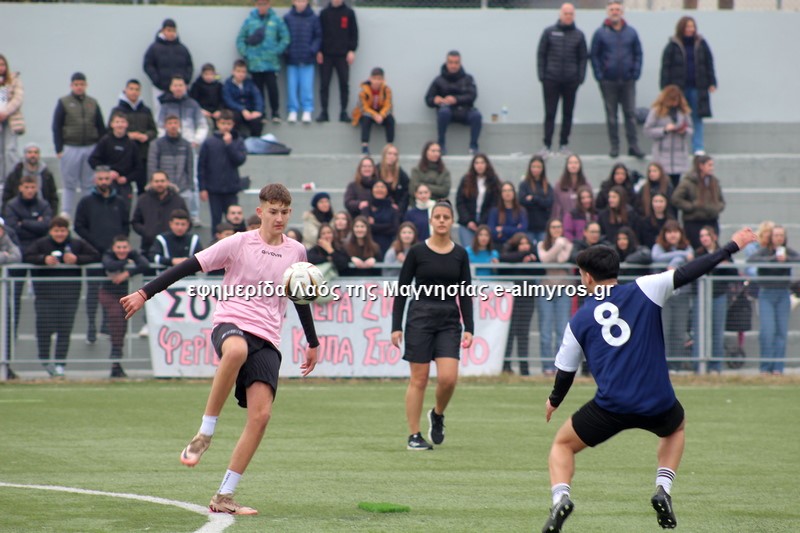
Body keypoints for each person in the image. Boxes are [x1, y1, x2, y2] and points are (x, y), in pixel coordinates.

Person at [120, 183, 319, 515]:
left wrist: (312, 341)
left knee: (261, 417)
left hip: (268, 336)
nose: (279, 218)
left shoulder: (296, 251)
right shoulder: (239, 242)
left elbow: (299, 295)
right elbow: (188, 266)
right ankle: (205, 432)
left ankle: (224, 496)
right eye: (273, 211)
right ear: (260, 212)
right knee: (236, 351)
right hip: (232, 322)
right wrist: (144, 293)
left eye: (285, 212)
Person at [539, 227, 755, 533]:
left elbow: (565, 372)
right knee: (676, 427)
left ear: (586, 277)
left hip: (610, 406)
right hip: (657, 401)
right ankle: (663, 488)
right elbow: (691, 271)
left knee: (562, 445)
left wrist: (554, 401)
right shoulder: (646, 288)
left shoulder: (579, 320)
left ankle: (561, 498)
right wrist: (731, 246)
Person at [392, 199, 473, 450]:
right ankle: (414, 435)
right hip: (420, 317)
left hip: (449, 319)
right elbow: (402, 290)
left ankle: (437, 414)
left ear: (452, 221)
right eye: (437, 217)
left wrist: (469, 327)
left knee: (448, 378)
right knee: (420, 378)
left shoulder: (460, 254)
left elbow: (466, 293)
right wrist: (396, 326)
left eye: (446, 217)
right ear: (430, 220)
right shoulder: (417, 252)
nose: (441, 221)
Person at [24, 217, 100, 378]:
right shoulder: (41, 243)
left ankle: (60, 364)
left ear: (67, 231)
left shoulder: (76, 244)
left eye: (63, 230)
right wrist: (43, 259)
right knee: (44, 329)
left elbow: (95, 255)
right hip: (45, 295)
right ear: (51, 231)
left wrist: (77, 259)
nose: (60, 234)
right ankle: (45, 359)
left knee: (64, 331)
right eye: (56, 230)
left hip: (69, 295)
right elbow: (26, 256)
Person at [589, 0, 644, 159]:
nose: (615, 12)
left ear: (622, 12)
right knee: (612, 116)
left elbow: (638, 53)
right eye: (612, 9)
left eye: (617, 9)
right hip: (608, 81)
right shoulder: (600, 33)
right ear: (608, 12)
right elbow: (594, 55)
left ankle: (633, 146)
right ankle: (615, 146)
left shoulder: (631, 32)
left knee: (630, 114)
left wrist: (635, 73)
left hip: (627, 81)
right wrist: (599, 75)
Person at [660, 16, 717, 156]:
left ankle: (698, 147)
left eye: (692, 26)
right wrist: (665, 87)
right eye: (687, 26)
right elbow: (665, 68)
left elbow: (709, 63)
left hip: (698, 88)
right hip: (679, 90)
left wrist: (712, 82)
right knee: (679, 117)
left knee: (697, 117)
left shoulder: (701, 44)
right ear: (681, 28)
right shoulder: (672, 45)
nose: (690, 29)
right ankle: (680, 146)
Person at [536, 3, 588, 156]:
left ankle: (563, 144)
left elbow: (583, 58)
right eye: (566, 13)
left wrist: (580, 78)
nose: (568, 16)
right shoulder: (549, 32)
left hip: (571, 81)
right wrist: (542, 76)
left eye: (571, 13)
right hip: (551, 80)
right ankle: (547, 145)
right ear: (560, 14)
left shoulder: (579, 35)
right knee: (550, 113)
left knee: (568, 113)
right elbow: (541, 54)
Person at [747, 225, 800, 375]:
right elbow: (751, 260)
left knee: (781, 332)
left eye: (781, 235)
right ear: (771, 237)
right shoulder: (764, 251)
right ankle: (765, 368)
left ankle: (778, 368)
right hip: (766, 294)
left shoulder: (788, 251)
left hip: (783, 294)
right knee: (767, 332)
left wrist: (786, 259)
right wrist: (773, 259)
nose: (779, 238)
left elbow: (797, 258)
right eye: (776, 235)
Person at [52, 72, 105, 215]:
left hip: (90, 147)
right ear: (71, 85)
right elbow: (57, 126)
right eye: (76, 84)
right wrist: (59, 148)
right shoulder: (64, 102)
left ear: (86, 85)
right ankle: (66, 213)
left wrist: (100, 149)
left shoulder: (92, 103)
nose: (79, 87)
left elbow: (100, 126)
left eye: (81, 84)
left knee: (88, 183)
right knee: (69, 184)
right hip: (70, 146)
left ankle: (88, 213)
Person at [100, 235, 150, 378]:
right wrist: (125, 262)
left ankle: (116, 361)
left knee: (120, 327)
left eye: (124, 247)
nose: (122, 250)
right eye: (118, 247)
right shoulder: (108, 255)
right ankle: (108, 335)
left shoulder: (132, 254)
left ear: (129, 247)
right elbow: (109, 265)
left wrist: (127, 273)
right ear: (113, 248)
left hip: (125, 296)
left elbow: (145, 264)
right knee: (116, 317)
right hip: (108, 293)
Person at [236, 0, 290, 123]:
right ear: (256, 5)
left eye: (265, 4)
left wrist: (277, 50)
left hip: (271, 63)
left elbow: (285, 37)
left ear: (269, 5)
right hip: (255, 63)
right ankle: (262, 113)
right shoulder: (250, 20)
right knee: (258, 90)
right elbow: (240, 39)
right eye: (260, 4)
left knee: (272, 89)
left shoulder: (276, 20)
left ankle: (275, 113)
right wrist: (246, 53)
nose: (262, 6)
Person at [652, 220, 694, 370]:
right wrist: (681, 257)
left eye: (675, 232)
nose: (672, 235)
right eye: (669, 232)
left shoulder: (687, 246)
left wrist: (673, 263)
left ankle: (676, 365)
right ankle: (663, 365)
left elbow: (691, 257)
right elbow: (657, 258)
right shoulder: (658, 247)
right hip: (663, 297)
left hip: (681, 296)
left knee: (679, 331)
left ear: (680, 233)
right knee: (664, 331)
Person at [695, 226, 737, 373]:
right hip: (700, 298)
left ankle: (715, 367)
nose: (704, 238)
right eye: (702, 236)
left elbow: (734, 273)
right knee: (700, 331)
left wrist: (725, 266)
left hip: (718, 296)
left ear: (714, 237)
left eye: (707, 235)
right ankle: (698, 367)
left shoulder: (723, 253)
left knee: (717, 332)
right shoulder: (698, 253)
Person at [198, 110, 248, 231]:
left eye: (228, 123)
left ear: (233, 124)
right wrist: (202, 188)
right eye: (223, 123)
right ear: (218, 123)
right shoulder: (209, 142)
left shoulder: (237, 140)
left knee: (234, 219)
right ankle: (216, 240)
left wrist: (229, 145)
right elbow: (202, 166)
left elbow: (240, 160)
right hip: (214, 189)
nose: (226, 126)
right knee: (216, 219)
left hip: (231, 188)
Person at [425, 51, 482, 155]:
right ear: (446, 63)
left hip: (465, 111)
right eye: (451, 62)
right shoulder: (438, 80)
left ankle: (473, 147)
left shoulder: (468, 79)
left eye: (456, 63)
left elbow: (472, 96)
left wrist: (456, 99)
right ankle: (441, 145)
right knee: (443, 112)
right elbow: (428, 99)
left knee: (477, 115)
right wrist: (435, 100)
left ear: (460, 63)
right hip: (447, 113)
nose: (453, 66)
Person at [537, 218, 573, 375]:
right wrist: (558, 245)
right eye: (553, 227)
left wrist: (560, 245)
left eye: (559, 226)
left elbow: (561, 259)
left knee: (561, 330)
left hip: (564, 288)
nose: (556, 229)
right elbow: (544, 260)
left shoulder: (568, 244)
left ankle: (560, 366)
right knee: (545, 329)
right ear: (548, 229)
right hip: (546, 288)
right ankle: (547, 366)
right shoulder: (541, 244)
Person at [499, 232, 538, 375]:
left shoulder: (533, 258)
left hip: (527, 297)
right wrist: (523, 256)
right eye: (521, 244)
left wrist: (530, 260)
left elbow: (541, 269)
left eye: (527, 243)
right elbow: (503, 260)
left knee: (523, 333)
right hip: (511, 297)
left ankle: (524, 367)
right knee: (509, 332)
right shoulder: (510, 255)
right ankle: (506, 365)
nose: (525, 246)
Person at [110, 79, 157, 195]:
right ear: (125, 90)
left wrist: (146, 136)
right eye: (131, 89)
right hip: (123, 156)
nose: (134, 92)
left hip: (142, 154)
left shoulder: (146, 110)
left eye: (137, 89)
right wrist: (127, 135)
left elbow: (154, 131)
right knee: (122, 188)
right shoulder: (117, 110)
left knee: (143, 188)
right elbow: (109, 131)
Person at [147, 114, 195, 222]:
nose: (173, 126)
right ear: (165, 126)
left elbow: (190, 167)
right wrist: (153, 183)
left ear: (179, 125)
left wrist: (190, 185)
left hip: (183, 187)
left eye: (175, 123)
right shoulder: (156, 144)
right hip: (163, 188)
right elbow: (152, 166)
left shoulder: (186, 145)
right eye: (170, 123)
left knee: (184, 218)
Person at [317, 0, 359, 123]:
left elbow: (354, 33)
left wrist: (351, 50)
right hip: (326, 55)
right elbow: (319, 33)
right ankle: (324, 112)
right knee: (324, 84)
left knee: (344, 84)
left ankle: (343, 112)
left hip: (343, 55)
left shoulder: (349, 13)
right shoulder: (324, 13)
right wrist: (319, 50)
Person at [671, 154, 725, 250]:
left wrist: (716, 207)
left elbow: (721, 200)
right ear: (701, 166)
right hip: (694, 222)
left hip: (712, 221)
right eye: (709, 165)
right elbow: (676, 199)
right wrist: (692, 206)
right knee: (698, 250)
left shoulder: (714, 182)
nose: (712, 168)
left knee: (713, 249)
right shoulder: (688, 182)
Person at [89, 111, 141, 209]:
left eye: (122, 122)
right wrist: (108, 172)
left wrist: (127, 178)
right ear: (112, 124)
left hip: (125, 185)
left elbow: (138, 168)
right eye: (117, 122)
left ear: (127, 124)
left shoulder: (132, 145)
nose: (120, 125)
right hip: (106, 183)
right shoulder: (105, 141)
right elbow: (93, 160)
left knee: (124, 211)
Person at [644, 85, 693, 187]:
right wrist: (664, 130)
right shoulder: (656, 111)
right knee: (663, 184)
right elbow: (647, 130)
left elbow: (691, 128)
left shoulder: (683, 111)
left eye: (677, 100)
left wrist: (684, 131)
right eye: (672, 100)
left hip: (679, 154)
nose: (674, 103)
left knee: (676, 184)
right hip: (662, 154)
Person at [143, 18, 194, 115]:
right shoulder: (154, 48)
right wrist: (157, 80)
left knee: (183, 113)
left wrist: (186, 81)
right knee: (160, 113)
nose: (171, 33)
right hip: (160, 88)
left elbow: (189, 66)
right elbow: (147, 65)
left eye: (173, 31)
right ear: (163, 30)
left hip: (179, 89)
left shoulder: (182, 48)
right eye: (168, 30)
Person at [284, 0, 322, 124]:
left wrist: (312, 50)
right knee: (292, 86)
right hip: (292, 59)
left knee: (307, 87)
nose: (301, 3)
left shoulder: (313, 18)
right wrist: (287, 50)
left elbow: (318, 36)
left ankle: (307, 110)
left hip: (307, 59)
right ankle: (293, 110)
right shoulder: (288, 18)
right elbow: (283, 36)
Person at [132, 171, 188, 253]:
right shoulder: (143, 200)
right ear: (151, 183)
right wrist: (146, 231)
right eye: (156, 181)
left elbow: (187, 221)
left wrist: (177, 231)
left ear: (168, 182)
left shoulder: (178, 200)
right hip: (149, 246)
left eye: (162, 181)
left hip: (173, 247)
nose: (159, 184)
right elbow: (135, 222)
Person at [456, 153, 501, 247]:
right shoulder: (466, 180)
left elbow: (495, 204)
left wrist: (482, 222)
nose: (479, 165)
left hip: (486, 222)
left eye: (482, 163)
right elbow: (460, 202)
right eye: (476, 163)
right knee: (469, 249)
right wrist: (468, 221)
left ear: (487, 164)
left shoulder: (493, 180)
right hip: (467, 222)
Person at [3, 143, 59, 214]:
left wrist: (51, 215)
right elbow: (7, 195)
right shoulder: (16, 173)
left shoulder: (47, 174)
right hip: (18, 213)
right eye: (30, 152)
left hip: (42, 213)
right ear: (25, 155)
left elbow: (53, 197)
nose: (33, 155)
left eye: (36, 152)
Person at [157, 75, 209, 150]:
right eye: (175, 85)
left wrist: (197, 140)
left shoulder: (193, 104)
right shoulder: (165, 106)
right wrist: (164, 142)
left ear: (185, 87)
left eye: (180, 85)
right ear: (171, 87)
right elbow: (160, 126)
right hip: (170, 145)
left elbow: (202, 125)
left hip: (190, 145)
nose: (178, 88)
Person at [352, 68, 394, 154]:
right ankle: (365, 146)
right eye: (374, 79)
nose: (376, 81)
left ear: (383, 80)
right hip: (368, 114)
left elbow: (388, 105)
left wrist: (381, 115)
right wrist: (375, 115)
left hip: (381, 114)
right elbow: (363, 107)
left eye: (379, 79)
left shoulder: (386, 90)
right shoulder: (364, 91)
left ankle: (389, 146)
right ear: (370, 79)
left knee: (390, 119)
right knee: (365, 119)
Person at [222, 60, 265, 138]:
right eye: (238, 71)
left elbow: (257, 96)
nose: (241, 74)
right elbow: (228, 101)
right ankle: (238, 139)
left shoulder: (249, 83)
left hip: (249, 110)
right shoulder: (227, 84)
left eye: (243, 72)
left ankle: (255, 140)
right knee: (234, 118)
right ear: (233, 72)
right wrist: (242, 109)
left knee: (257, 121)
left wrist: (258, 110)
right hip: (235, 111)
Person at [518, 155, 554, 244]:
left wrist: (534, 198)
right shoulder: (524, 184)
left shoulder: (547, 185)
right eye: (533, 167)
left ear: (542, 169)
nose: (536, 169)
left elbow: (548, 202)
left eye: (538, 167)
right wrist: (540, 201)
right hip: (528, 226)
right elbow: (522, 201)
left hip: (543, 226)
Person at [0, 54, 23, 181]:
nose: (1, 68)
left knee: (10, 150)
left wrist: (5, 112)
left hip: (10, 120)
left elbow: (18, 99)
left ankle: (12, 180)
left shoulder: (14, 80)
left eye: (3, 65)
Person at [362, 179, 399, 257]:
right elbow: (365, 228)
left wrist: (374, 225)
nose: (379, 189)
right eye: (376, 187)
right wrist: (387, 225)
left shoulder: (393, 209)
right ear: (372, 190)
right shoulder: (366, 208)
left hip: (388, 245)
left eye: (382, 187)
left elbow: (395, 229)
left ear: (387, 190)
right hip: (369, 246)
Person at [487, 181, 528, 247]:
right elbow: (491, 231)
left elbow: (522, 230)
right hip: (498, 245)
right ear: (501, 194)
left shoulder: (521, 211)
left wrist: (502, 229)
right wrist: (515, 229)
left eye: (509, 190)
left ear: (514, 193)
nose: (507, 193)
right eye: (504, 191)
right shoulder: (494, 211)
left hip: (516, 246)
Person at [551, 154, 590, 221]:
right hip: (564, 221)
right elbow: (556, 207)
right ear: (567, 166)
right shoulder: (559, 185)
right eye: (570, 163)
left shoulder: (586, 184)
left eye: (576, 163)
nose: (573, 165)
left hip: (581, 221)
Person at [377, 144, 410, 216]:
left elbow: (405, 194)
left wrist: (399, 208)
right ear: (384, 155)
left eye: (395, 154)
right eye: (389, 153)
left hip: (396, 212)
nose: (392, 156)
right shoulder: (376, 171)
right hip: (378, 209)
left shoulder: (401, 174)